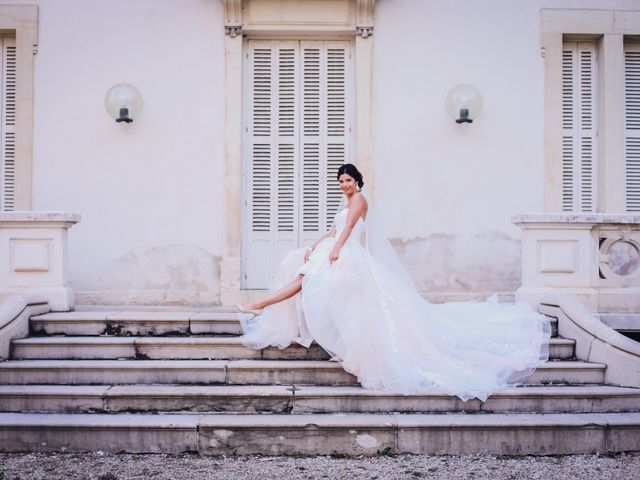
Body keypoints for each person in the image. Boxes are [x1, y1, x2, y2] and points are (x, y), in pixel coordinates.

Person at [238, 164, 551, 401]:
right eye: (341, 182)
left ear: (357, 181)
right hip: (332, 249)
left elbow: (347, 232)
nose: (345, 186)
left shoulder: (359, 200)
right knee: (301, 271)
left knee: (310, 282)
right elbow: (335, 229)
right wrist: (318, 242)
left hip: (345, 254)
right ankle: (265, 305)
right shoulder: (345, 202)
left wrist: (334, 250)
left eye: (348, 181)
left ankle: (262, 305)